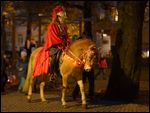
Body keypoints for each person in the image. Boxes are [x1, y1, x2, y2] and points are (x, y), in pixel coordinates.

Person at [33, 5, 71, 77]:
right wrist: (61, 41)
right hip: (55, 45)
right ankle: (52, 73)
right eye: (62, 18)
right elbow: (53, 36)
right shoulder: (52, 25)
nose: (63, 19)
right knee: (54, 56)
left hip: (63, 45)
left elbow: (67, 35)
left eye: (63, 18)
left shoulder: (64, 26)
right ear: (58, 17)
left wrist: (68, 41)